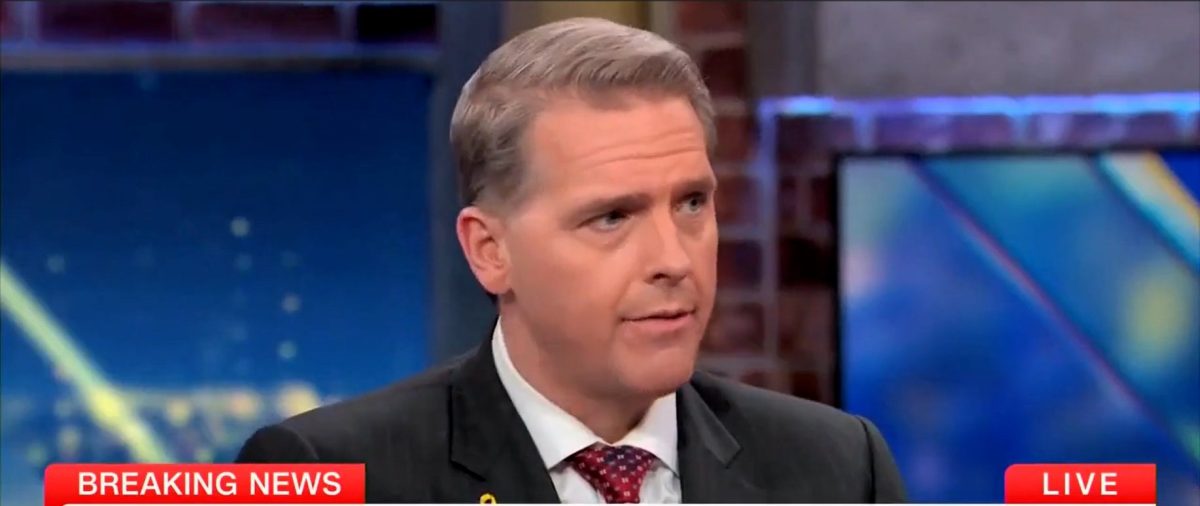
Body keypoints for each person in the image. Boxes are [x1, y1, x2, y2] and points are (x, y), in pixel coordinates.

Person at [236, 17, 906, 503]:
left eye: (691, 203)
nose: (673, 259)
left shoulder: (841, 469)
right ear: (490, 251)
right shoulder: (328, 475)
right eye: (612, 217)